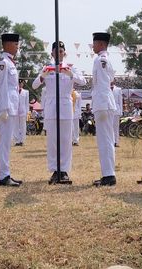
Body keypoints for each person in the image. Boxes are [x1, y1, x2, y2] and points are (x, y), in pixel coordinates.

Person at [33, 40, 87, 183]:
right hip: (51, 106)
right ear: (52, 53)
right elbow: (34, 84)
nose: (59, 54)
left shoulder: (71, 68)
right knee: (52, 141)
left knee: (65, 139)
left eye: (61, 51)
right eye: (56, 52)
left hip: (65, 106)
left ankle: (64, 170)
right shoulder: (47, 68)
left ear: (65, 53)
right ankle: (54, 170)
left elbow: (83, 81)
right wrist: (42, 76)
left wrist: (70, 74)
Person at [0, 33, 22, 187]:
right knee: (4, 142)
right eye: (15, 44)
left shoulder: (10, 62)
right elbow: (3, 86)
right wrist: (4, 107)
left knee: (7, 141)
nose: (17, 47)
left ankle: (6, 173)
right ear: (7, 44)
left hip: (11, 106)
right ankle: (3, 176)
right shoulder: (3, 62)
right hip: (6, 107)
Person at [91, 32, 117, 187]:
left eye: (94, 43)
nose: (93, 46)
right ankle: (108, 174)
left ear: (100, 44)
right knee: (105, 139)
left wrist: (99, 103)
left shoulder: (101, 60)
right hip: (104, 102)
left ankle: (109, 176)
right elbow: (111, 79)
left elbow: (101, 84)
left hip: (103, 103)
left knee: (105, 140)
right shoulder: (106, 60)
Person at [13, 81, 30, 147]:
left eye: (21, 83)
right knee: (16, 126)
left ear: (23, 84)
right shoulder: (14, 91)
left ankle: (22, 140)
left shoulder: (26, 92)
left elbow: (27, 103)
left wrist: (27, 112)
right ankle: (17, 141)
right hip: (15, 111)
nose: (20, 84)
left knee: (23, 126)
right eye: (19, 83)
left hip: (23, 111)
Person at [111, 81, 123, 148]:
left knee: (116, 127)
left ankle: (116, 141)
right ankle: (111, 141)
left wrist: (121, 111)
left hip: (116, 109)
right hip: (109, 110)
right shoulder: (106, 88)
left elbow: (120, 101)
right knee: (110, 127)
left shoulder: (118, 89)